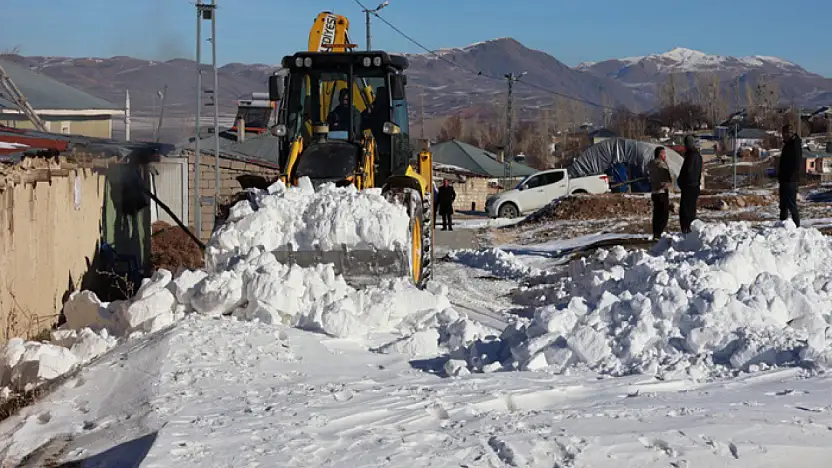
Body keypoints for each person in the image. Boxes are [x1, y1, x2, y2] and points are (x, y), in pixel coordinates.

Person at [677, 135, 703, 234]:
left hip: (689, 186)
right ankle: (689, 229)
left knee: (686, 210)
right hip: (695, 185)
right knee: (691, 209)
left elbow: (687, 171)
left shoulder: (691, 156)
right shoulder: (697, 155)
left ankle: (686, 229)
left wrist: (681, 182)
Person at [778, 123, 801, 227]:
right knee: (783, 203)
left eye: (784, 134)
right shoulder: (788, 144)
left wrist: (791, 176)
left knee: (791, 204)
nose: (783, 136)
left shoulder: (795, 144)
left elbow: (797, 162)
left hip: (790, 180)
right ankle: (783, 224)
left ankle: (796, 226)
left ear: (789, 133)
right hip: (784, 179)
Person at [648, 146, 672, 239]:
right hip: (662, 191)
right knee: (663, 214)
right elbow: (666, 179)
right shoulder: (661, 164)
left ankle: (656, 233)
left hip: (654, 192)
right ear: (660, 154)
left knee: (656, 214)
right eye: (664, 153)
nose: (665, 155)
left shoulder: (651, 164)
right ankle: (660, 233)